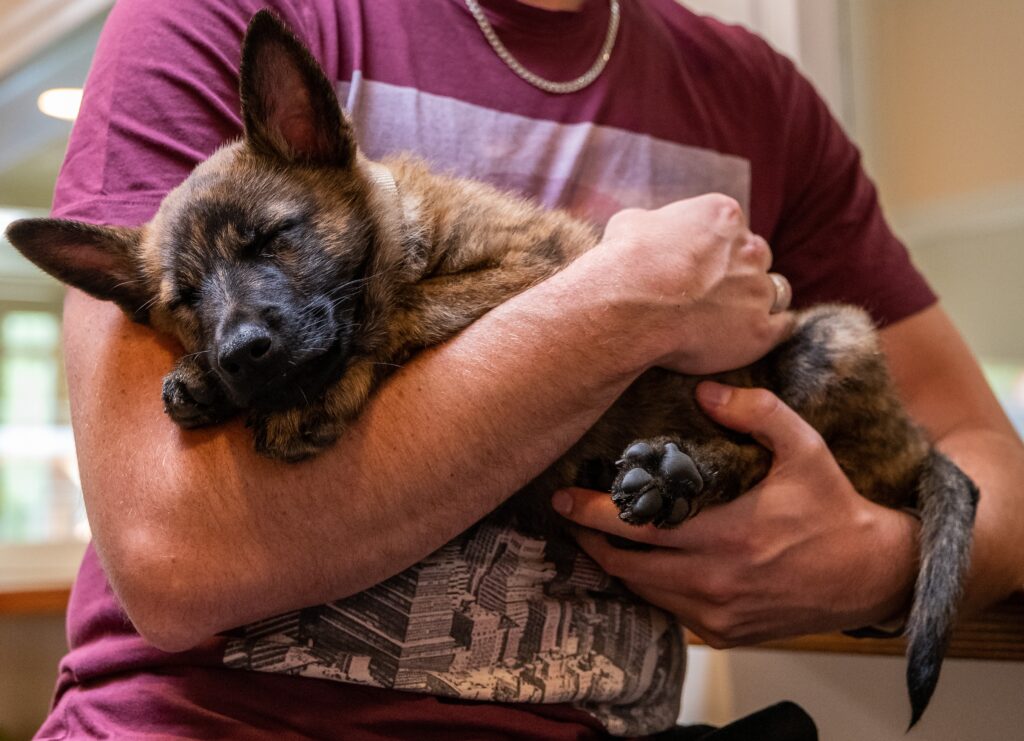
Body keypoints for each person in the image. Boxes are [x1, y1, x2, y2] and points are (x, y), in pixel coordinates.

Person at [37, 0, 1024, 738]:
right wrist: (628, 302)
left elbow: (993, 470)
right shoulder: (213, 16)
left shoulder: (758, 93)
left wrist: (873, 565)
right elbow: (173, 568)